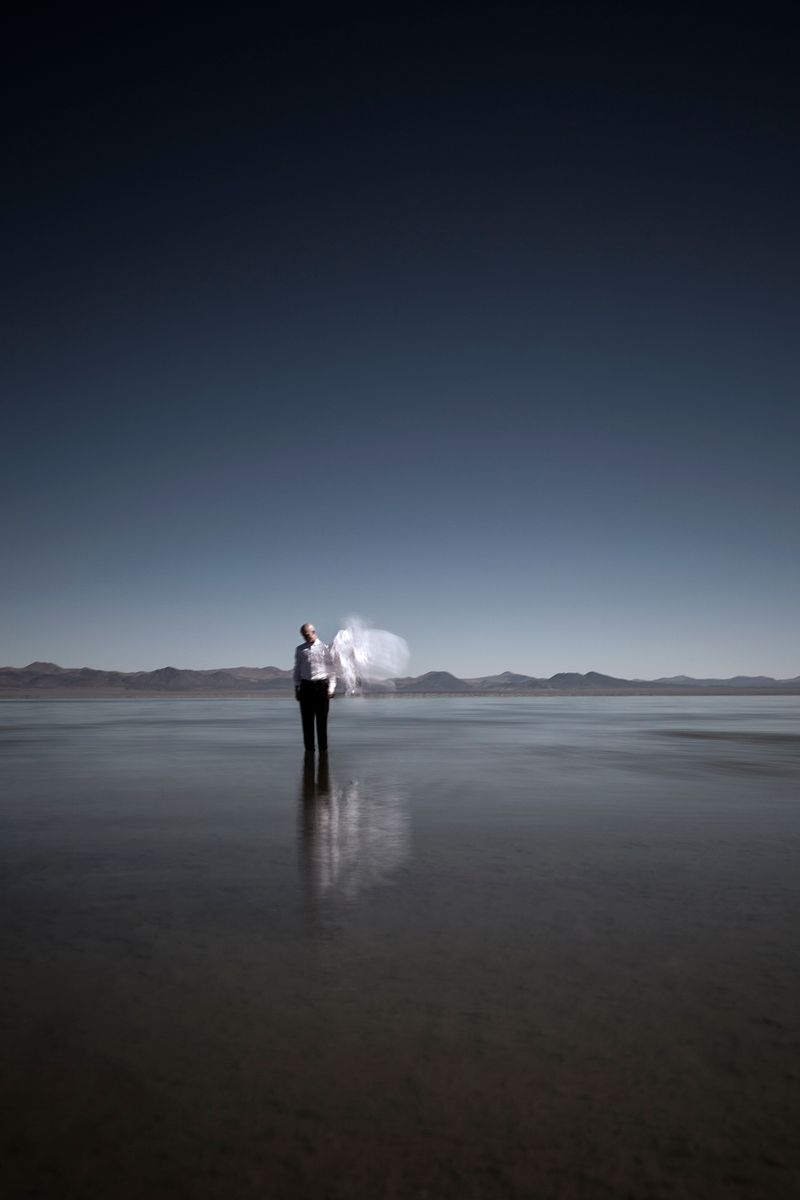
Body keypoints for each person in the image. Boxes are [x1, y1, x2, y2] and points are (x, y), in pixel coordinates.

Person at [293, 623, 336, 754]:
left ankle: (323, 754)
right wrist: (296, 687)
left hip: (322, 686)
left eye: (307, 635)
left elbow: (332, 670)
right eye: (303, 636)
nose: (305, 638)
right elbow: (297, 669)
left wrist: (331, 688)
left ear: (314, 632)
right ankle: (309, 754)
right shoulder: (300, 650)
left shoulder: (325, 648)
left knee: (322, 722)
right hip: (306, 687)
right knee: (307, 722)